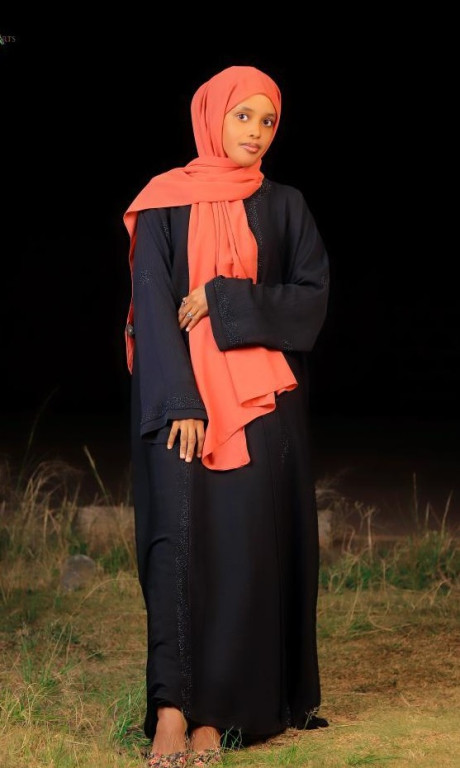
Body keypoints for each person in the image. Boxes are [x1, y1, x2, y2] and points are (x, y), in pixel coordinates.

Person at [123, 65, 330, 768]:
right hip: (181, 404)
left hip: (264, 409)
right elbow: (152, 304)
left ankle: (220, 715)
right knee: (176, 546)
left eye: (268, 120)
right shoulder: (163, 202)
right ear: (211, 117)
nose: (256, 131)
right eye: (243, 116)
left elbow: (311, 299)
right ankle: (172, 711)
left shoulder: (286, 205)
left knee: (246, 552)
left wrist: (224, 296)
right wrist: (179, 400)